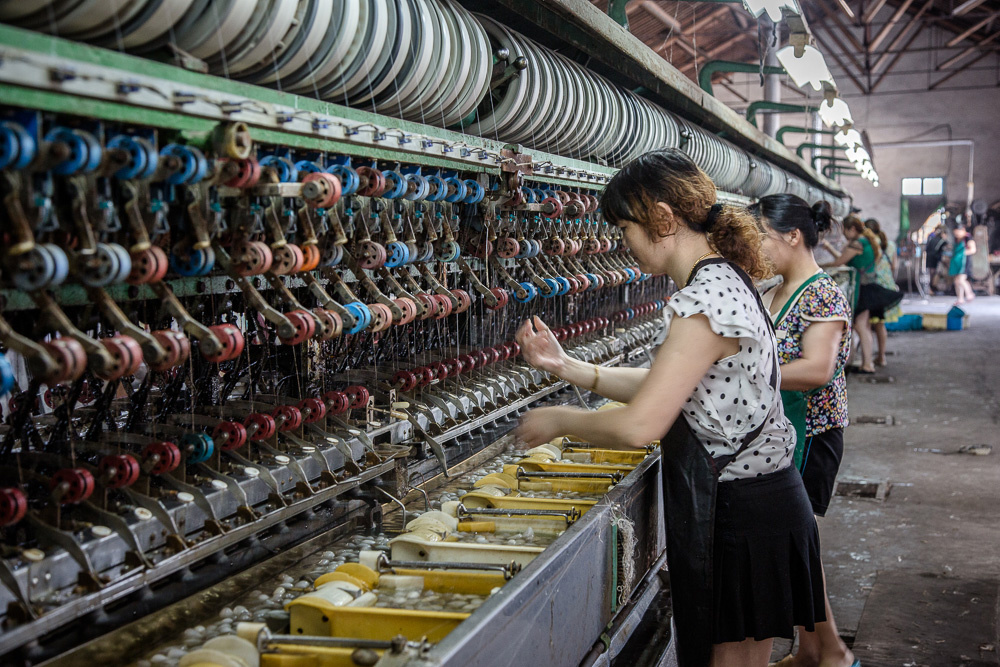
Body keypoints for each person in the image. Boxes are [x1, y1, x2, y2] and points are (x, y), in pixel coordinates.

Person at [515, 149, 825, 667]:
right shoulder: (723, 282)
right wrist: (568, 368)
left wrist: (558, 421)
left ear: (662, 218)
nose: (624, 244)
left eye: (625, 228)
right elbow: (672, 383)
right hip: (759, 503)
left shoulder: (705, 300)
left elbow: (644, 423)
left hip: (741, 514)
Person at [751, 194, 859, 667]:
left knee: (798, 545)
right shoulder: (776, 289)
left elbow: (816, 369)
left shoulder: (822, 293)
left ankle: (831, 651)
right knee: (798, 545)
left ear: (793, 236)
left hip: (812, 432)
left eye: (762, 237)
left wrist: (743, 371)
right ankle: (816, 649)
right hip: (785, 430)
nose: (758, 247)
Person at [820, 217, 898, 374]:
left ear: (852, 229)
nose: (843, 235)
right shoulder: (865, 242)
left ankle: (867, 364)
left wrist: (816, 266)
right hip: (868, 287)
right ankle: (865, 362)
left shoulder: (857, 244)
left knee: (861, 326)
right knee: (865, 327)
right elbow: (843, 260)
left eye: (844, 231)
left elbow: (839, 262)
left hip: (862, 289)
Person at [864, 219, 902, 367]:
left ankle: (868, 360)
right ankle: (881, 356)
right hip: (887, 285)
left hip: (874, 286)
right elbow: (894, 266)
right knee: (880, 325)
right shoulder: (890, 244)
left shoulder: (870, 243)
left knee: (867, 325)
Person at [949, 225, 976, 304]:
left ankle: (969, 294)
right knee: (957, 281)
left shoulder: (968, 238)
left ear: (963, 230)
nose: (956, 234)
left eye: (958, 232)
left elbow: (973, 250)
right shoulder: (957, 239)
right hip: (957, 263)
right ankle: (960, 298)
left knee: (961, 280)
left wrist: (961, 254)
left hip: (964, 263)